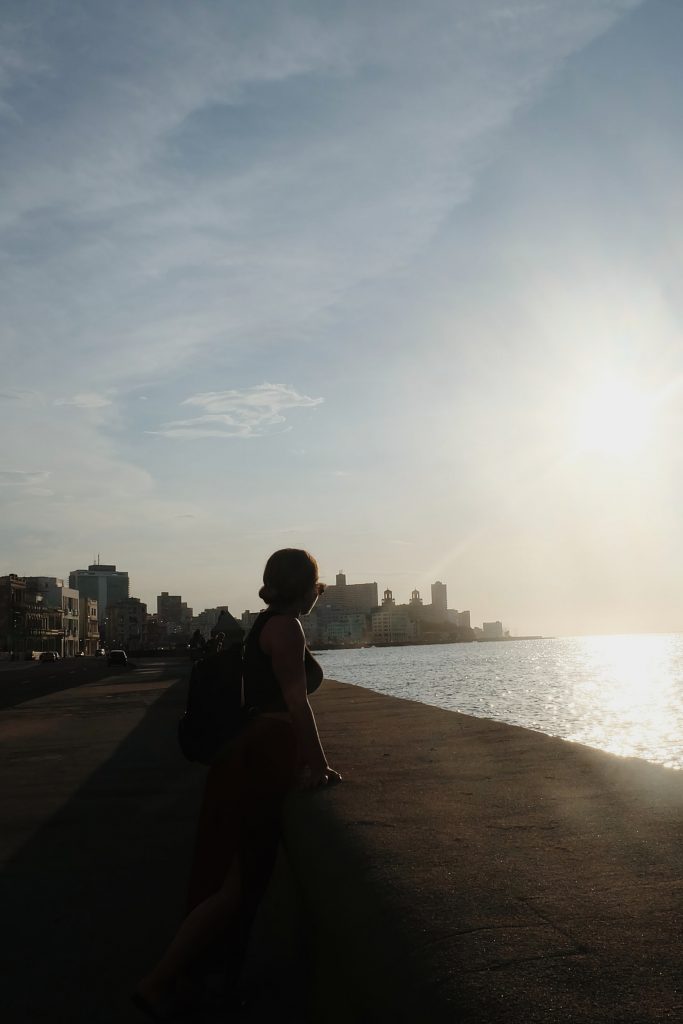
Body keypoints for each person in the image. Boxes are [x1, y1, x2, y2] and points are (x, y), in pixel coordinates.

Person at [134, 549, 341, 1021]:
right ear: (304, 589)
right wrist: (319, 763)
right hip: (263, 759)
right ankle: (161, 982)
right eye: (316, 586)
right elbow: (295, 703)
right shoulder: (286, 628)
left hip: (247, 756)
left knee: (228, 878)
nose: (317, 594)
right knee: (237, 884)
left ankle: (197, 983)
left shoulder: (262, 626)